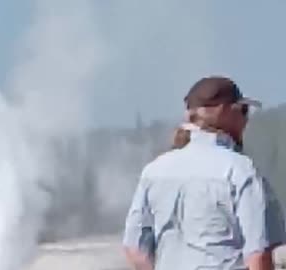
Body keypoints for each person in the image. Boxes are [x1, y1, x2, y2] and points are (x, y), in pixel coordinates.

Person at [122, 76, 286, 270]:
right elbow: (258, 255)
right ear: (226, 112)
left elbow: (135, 249)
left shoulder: (154, 171)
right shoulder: (239, 170)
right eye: (243, 111)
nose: (246, 120)